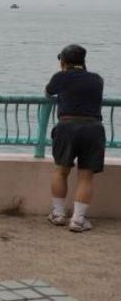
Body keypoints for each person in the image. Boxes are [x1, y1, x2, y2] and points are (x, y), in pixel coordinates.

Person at [45, 44, 105, 232]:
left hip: (67, 126)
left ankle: (58, 214)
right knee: (86, 176)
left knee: (61, 171)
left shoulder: (60, 77)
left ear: (63, 61)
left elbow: (48, 92)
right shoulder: (97, 79)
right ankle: (78, 220)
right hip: (93, 128)